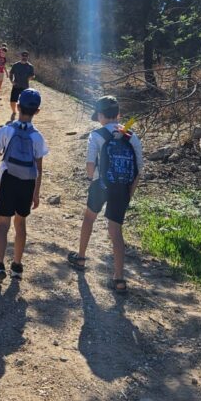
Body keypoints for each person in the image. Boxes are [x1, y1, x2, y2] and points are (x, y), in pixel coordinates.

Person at [67, 96, 144, 293]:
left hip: (101, 184)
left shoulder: (97, 135)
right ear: (119, 115)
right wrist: (129, 193)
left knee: (89, 218)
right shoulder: (132, 136)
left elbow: (90, 166)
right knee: (116, 231)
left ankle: (81, 258)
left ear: (100, 115)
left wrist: (93, 178)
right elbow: (139, 170)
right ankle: (119, 278)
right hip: (122, 187)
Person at [0, 89, 49, 286]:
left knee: (2, 225)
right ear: (37, 111)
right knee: (20, 224)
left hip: (8, 180)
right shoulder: (37, 137)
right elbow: (39, 168)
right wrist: (36, 193)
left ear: (17, 106)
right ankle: (17, 266)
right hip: (27, 182)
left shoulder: (6, 130)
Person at [8, 51, 35, 122]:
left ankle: (23, 115)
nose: (24, 58)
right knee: (12, 101)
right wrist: (12, 81)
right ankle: (14, 112)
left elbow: (33, 75)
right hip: (16, 86)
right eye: (23, 56)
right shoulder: (16, 65)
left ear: (28, 57)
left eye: (26, 56)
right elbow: (11, 73)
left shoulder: (30, 66)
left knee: (24, 102)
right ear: (21, 56)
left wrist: (31, 77)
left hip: (25, 87)